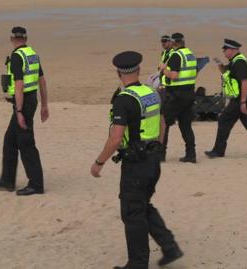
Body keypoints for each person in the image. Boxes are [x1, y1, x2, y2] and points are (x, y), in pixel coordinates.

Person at [90, 51, 183, 269]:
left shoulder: (124, 100)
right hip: (152, 159)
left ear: (118, 73)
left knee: (132, 212)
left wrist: (99, 163)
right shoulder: (151, 93)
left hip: (136, 163)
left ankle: (138, 264)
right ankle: (169, 247)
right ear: (138, 70)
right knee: (142, 205)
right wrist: (158, 146)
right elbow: (162, 122)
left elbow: (115, 139)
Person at [0, 26, 49, 196]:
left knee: (26, 143)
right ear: (26, 38)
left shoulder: (17, 57)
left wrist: (19, 111)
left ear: (11, 39)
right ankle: (8, 180)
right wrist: (44, 105)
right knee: (10, 140)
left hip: (23, 103)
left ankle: (36, 184)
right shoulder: (32, 54)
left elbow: (19, 84)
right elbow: (43, 81)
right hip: (31, 100)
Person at [204, 39, 247, 160]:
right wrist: (219, 64)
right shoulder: (234, 61)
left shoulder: (239, 63)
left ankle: (218, 151)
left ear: (233, 50)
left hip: (241, 98)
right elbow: (226, 72)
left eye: (225, 49)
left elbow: (244, 82)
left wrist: (243, 102)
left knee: (223, 120)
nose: (223, 51)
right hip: (242, 97)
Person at [159, 33, 197, 163]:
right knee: (185, 125)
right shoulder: (190, 54)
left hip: (177, 94)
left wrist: (163, 70)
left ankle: (160, 154)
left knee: (163, 122)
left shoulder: (176, 55)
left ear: (173, 43)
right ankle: (191, 154)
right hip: (190, 93)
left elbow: (174, 75)